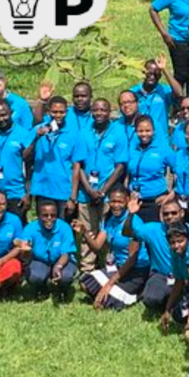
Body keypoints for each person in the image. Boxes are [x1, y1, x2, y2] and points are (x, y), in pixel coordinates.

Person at [75, 98, 129, 272]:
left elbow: (120, 165)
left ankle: (107, 267)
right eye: (96, 110)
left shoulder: (119, 132)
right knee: (87, 232)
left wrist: (103, 190)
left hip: (108, 194)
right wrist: (90, 190)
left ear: (110, 111)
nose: (99, 113)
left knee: (106, 233)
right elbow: (79, 165)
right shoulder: (84, 132)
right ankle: (87, 268)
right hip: (86, 192)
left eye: (103, 110)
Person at [123, 195, 189, 313]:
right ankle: (167, 300)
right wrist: (130, 215)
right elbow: (127, 232)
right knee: (151, 299)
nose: (170, 217)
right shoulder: (153, 229)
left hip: (187, 277)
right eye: (166, 214)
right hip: (161, 275)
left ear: (182, 213)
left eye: (174, 213)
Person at [78, 185, 151, 310]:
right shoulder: (109, 219)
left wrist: (109, 284)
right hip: (118, 267)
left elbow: (132, 259)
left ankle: (136, 293)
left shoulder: (134, 221)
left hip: (135, 270)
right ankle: (114, 290)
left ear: (127, 201)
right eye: (113, 201)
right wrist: (84, 232)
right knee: (85, 284)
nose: (116, 205)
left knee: (104, 304)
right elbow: (97, 246)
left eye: (120, 202)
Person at [26, 96, 83, 218]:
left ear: (67, 112)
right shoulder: (38, 129)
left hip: (63, 190)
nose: (58, 115)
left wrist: (72, 196)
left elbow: (76, 166)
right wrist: (37, 137)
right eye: (54, 112)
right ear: (48, 112)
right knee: (44, 227)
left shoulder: (73, 134)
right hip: (42, 189)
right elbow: (26, 156)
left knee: (63, 228)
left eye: (62, 112)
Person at [17, 199, 78, 302]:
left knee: (66, 276)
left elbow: (66, 253)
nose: (49, 218)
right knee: (35, 275)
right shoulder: (30, 228)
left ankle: (62, 289)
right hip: (41, 261)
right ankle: (42, 287)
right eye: (45, 215)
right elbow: (25, 256)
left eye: (53, 215)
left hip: (63, 260)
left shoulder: (64, 227)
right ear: (38, 215)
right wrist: (26, 251)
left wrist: (58, 266)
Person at [127, 115, 176, 223]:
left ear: (154, 131)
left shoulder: (163, 149)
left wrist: (170, 196)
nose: (144, 134)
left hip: (155, 200)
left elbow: (180, 173)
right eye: (140, 131)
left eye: (148, 130)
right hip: (134, 200)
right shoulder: (132, 148)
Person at [130, 59, 175, 138]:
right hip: (139, 137)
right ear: (143, 73)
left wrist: (164, 70)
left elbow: (179, 93)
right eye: (149, 73)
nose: (152, 77)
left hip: (160, 138)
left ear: (160, 76)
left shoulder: (164, 90)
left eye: (156, 74)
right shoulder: (133, 92)